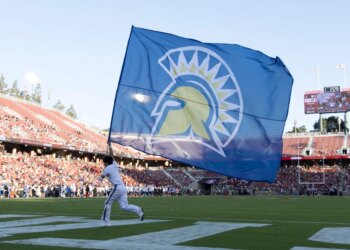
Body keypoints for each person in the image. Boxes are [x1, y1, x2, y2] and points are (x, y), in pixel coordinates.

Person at [99, 146, 144, 226]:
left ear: (106, 163)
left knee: (107, 203)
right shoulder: (115, 165)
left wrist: (100, 178)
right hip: (123, 187)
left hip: (117, 187)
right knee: (124, 206)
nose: (103, 164)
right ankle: (139, 210)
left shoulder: (107, 168)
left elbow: (101, 178)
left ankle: (106, 222)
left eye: (103, 163)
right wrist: (110, 147)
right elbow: (112, 156)